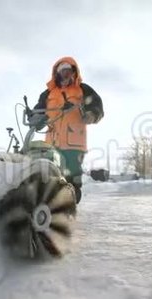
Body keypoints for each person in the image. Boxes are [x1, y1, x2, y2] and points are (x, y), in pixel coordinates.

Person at [30, 56, 104, 203]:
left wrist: (91, 114)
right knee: (48, 176)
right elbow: (39, 113)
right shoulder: (48, 94)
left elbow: (97, 107)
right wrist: (33, 117)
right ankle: (48, 206)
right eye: (63, 71)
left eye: (69, 71)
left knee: (71, 180)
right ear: (57, 73)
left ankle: (70, 208)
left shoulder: (83, 89)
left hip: (73, 144)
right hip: (51, 144)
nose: (66, 74)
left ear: (73, 72)